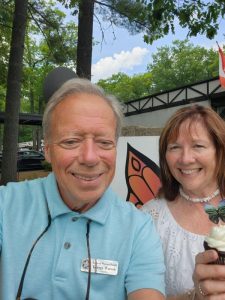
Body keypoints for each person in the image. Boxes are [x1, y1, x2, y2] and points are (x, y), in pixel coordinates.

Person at [0, 77, 165, 300]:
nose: (89, 158)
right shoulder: (5, 204)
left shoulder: (138, 229)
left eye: (104, 143)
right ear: (47, 150)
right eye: (71, 141)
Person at [141, 104, 225, 299]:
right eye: (175, 147)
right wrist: (196, 295)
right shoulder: (149, 219)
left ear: (219, 151)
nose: (186, 159)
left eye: (198, 146)